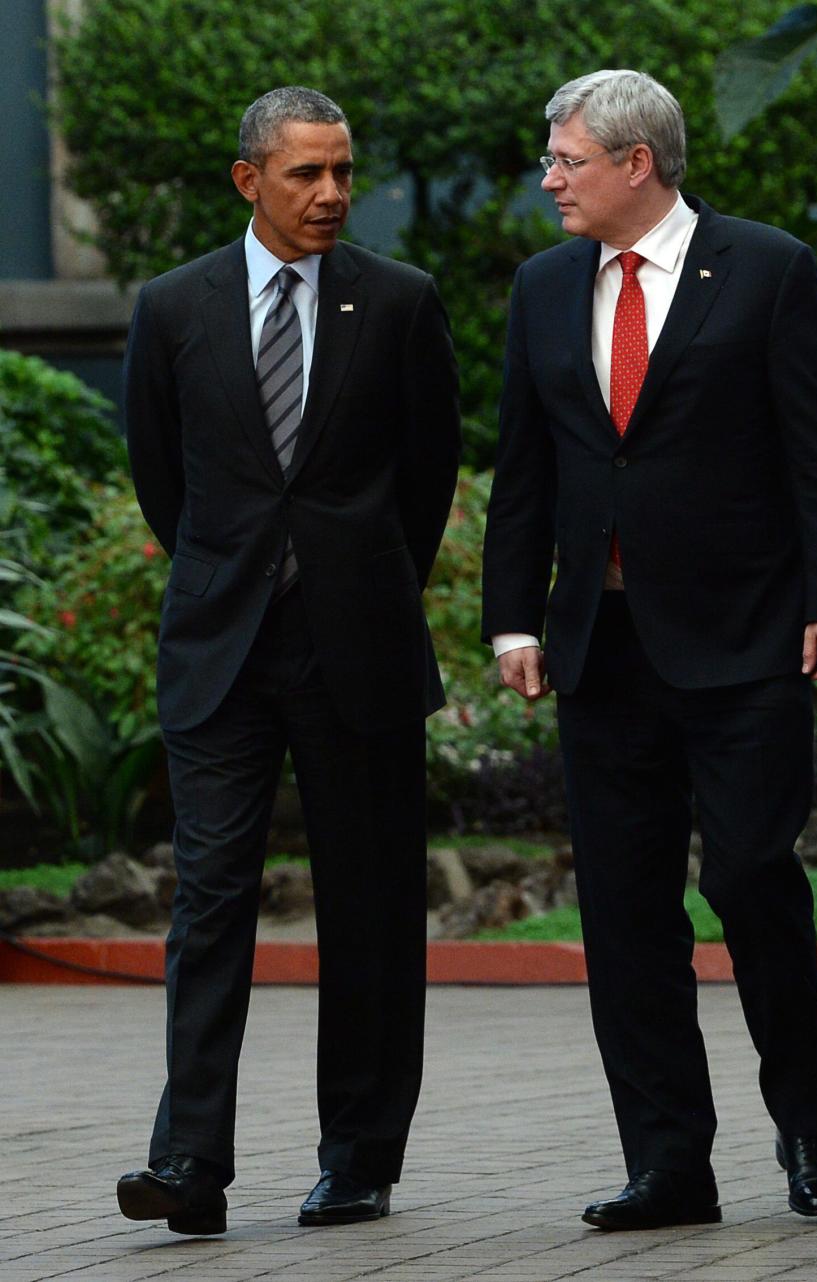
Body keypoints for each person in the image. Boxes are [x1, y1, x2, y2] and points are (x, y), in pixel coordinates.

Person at [481, 69, 817, 1232]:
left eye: (566, 161)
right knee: (624, 911)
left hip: (746, 640)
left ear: (635, 163)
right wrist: (513, 617)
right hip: (602, 649)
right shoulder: (544, 287)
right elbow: (524, 468)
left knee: (752, 878)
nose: (549, 180)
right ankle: (669, 1165)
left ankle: (806, 1129)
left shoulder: (766, 266)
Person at [117, 86, 460, 1235]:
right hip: (221, 649)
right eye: (307, 173)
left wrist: (356, 580)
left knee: (369, 907)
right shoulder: (172, 308)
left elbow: (429, 476)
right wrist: (243, 573)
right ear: (247, 178)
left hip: (355, 648)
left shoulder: (400, 302)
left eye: (343, 171)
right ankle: (187, 1159)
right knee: (209, 900)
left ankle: (359, 1156)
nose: (331, 194)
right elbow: (164, 477)